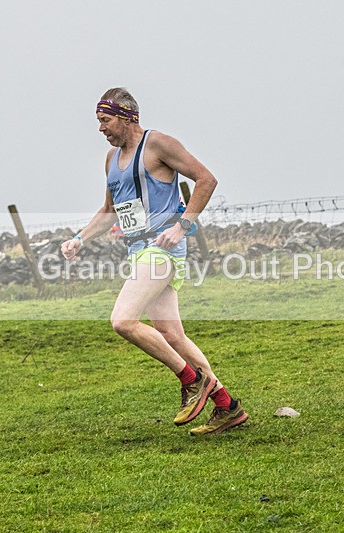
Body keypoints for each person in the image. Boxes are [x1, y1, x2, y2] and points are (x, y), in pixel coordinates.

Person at [61, 88, 248, 436]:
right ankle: (227, 407)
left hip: (162, 249)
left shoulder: (159, 144)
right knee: (172, 334)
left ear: (127, 116)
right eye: (99, 121)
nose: (100, 128)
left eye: (105, 120)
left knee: (122, 321)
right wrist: (79, 239)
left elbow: (206, 179)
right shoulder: (110, 159)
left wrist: (182, 226)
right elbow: (109, 211)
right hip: (139, 251)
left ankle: (192, 381)